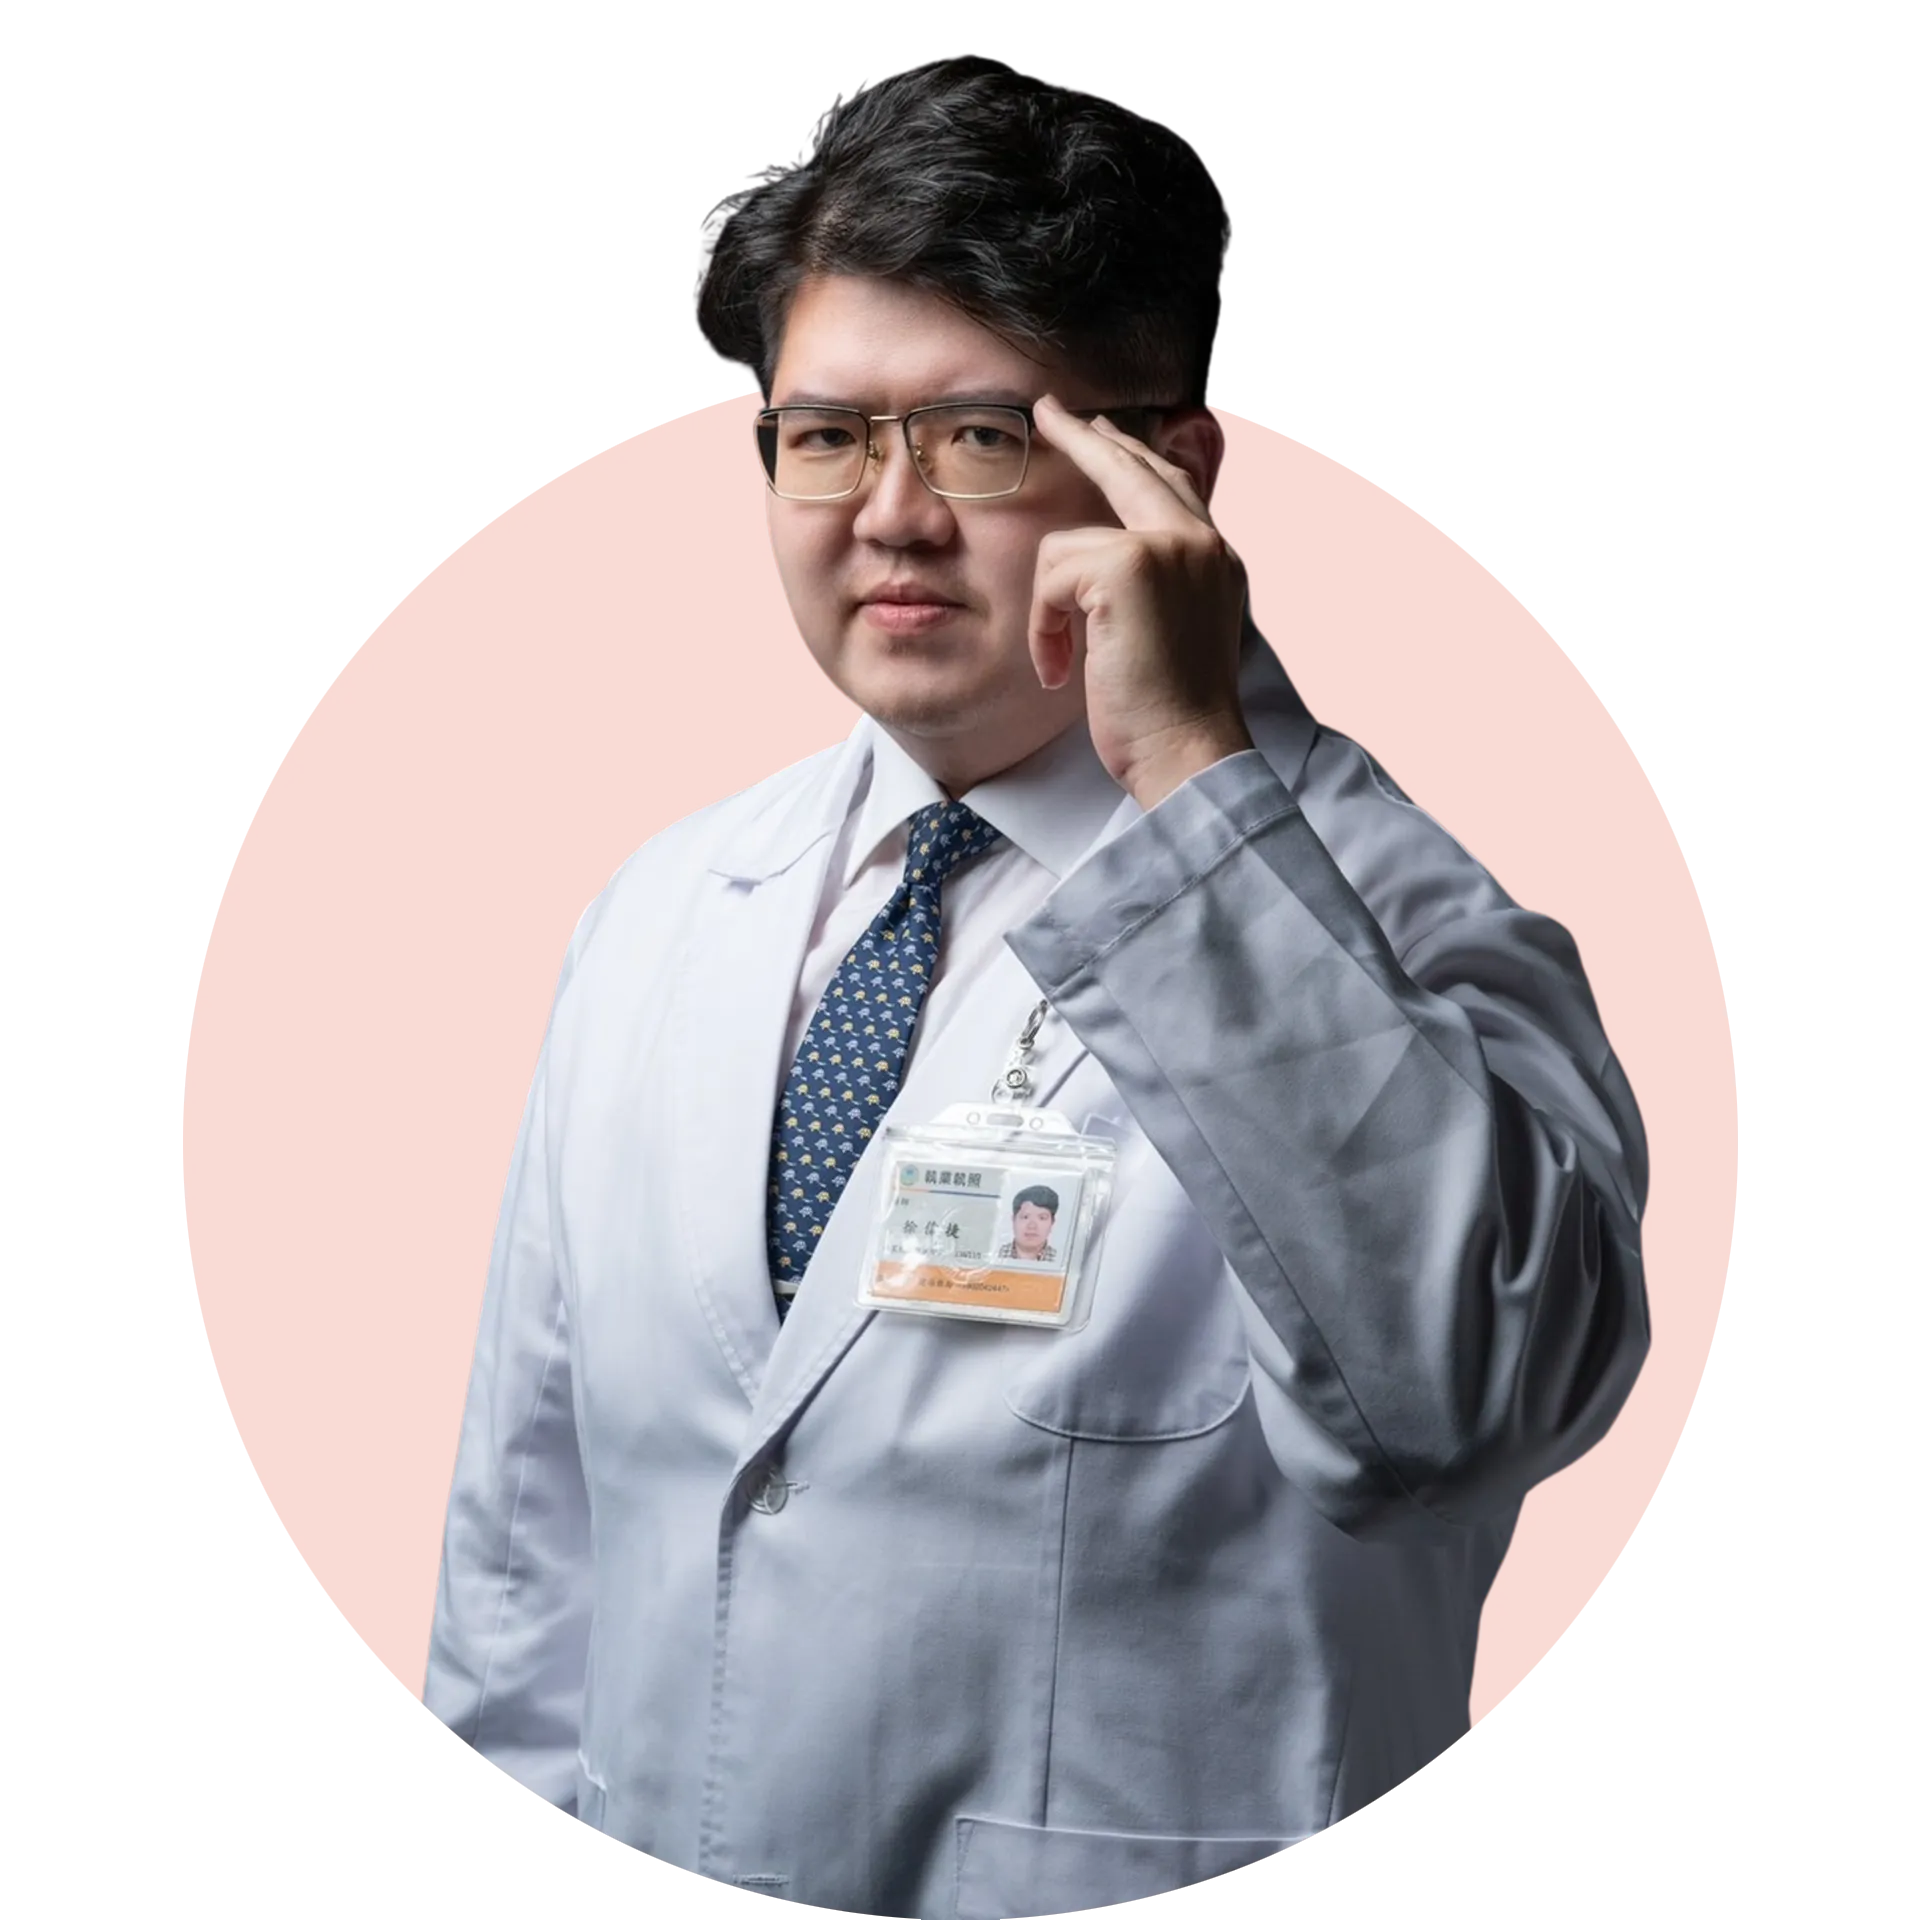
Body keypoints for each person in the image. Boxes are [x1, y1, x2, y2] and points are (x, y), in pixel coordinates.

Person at [421, 54, 1651, 1919]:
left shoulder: (1393, 912)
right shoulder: (663, 906)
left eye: (982, 436)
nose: (891, 514)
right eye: (827, 435)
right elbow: (532, 1546)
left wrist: (1192, 785)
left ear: (1173, 479)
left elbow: (1462, 1411)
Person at [997, 1185, 1059, 1262]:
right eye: (1025, 1217)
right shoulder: (994, 1257)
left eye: (1042, 1218)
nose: (1032, 1226)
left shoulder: (1060, 1261)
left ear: (1052, 1222)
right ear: (1013, 1219)